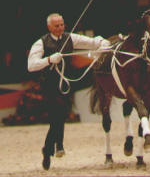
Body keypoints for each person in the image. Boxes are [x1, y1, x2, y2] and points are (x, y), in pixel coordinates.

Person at [27, 13, 110, 170]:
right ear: (49, 27)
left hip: (65, 83)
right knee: (56, 113)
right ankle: (59, 145)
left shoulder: (70, 38)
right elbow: (31, 65)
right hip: (49, 85)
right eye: (56, 26)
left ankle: (47, 149)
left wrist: (102, 42)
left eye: (62, 25)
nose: (60, 28)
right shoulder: (41, 43)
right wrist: (50, 59)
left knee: (61, 115)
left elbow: (91, 42)